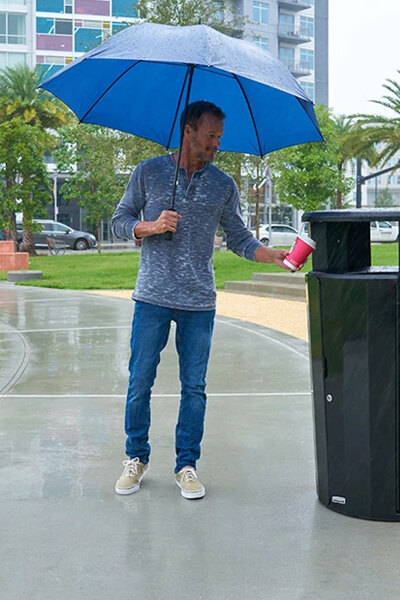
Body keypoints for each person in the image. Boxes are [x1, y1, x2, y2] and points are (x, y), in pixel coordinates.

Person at [111, 100, 289, 499]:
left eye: (219, 138)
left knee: (194, 387)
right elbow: (119, 221)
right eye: (210, 136)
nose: (216, 145)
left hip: (199, 300)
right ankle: (135, 457)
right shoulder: (149, 172)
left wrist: (269, 253)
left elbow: (239, 238)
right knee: (140, 381)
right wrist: (150, 226)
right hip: (153, 296)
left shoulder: (223, 184)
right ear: (189, 131)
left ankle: (186, 464)